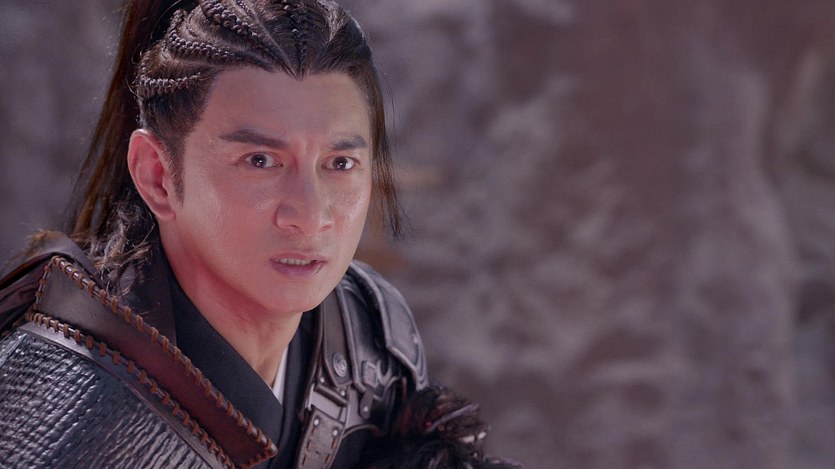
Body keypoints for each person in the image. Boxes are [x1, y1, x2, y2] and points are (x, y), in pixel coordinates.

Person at [0, 1, 519, 468]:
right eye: (260, 161)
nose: (310, 216)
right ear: (157, 175)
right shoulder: (59, 415)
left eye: (340, 163)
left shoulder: (370, 333)